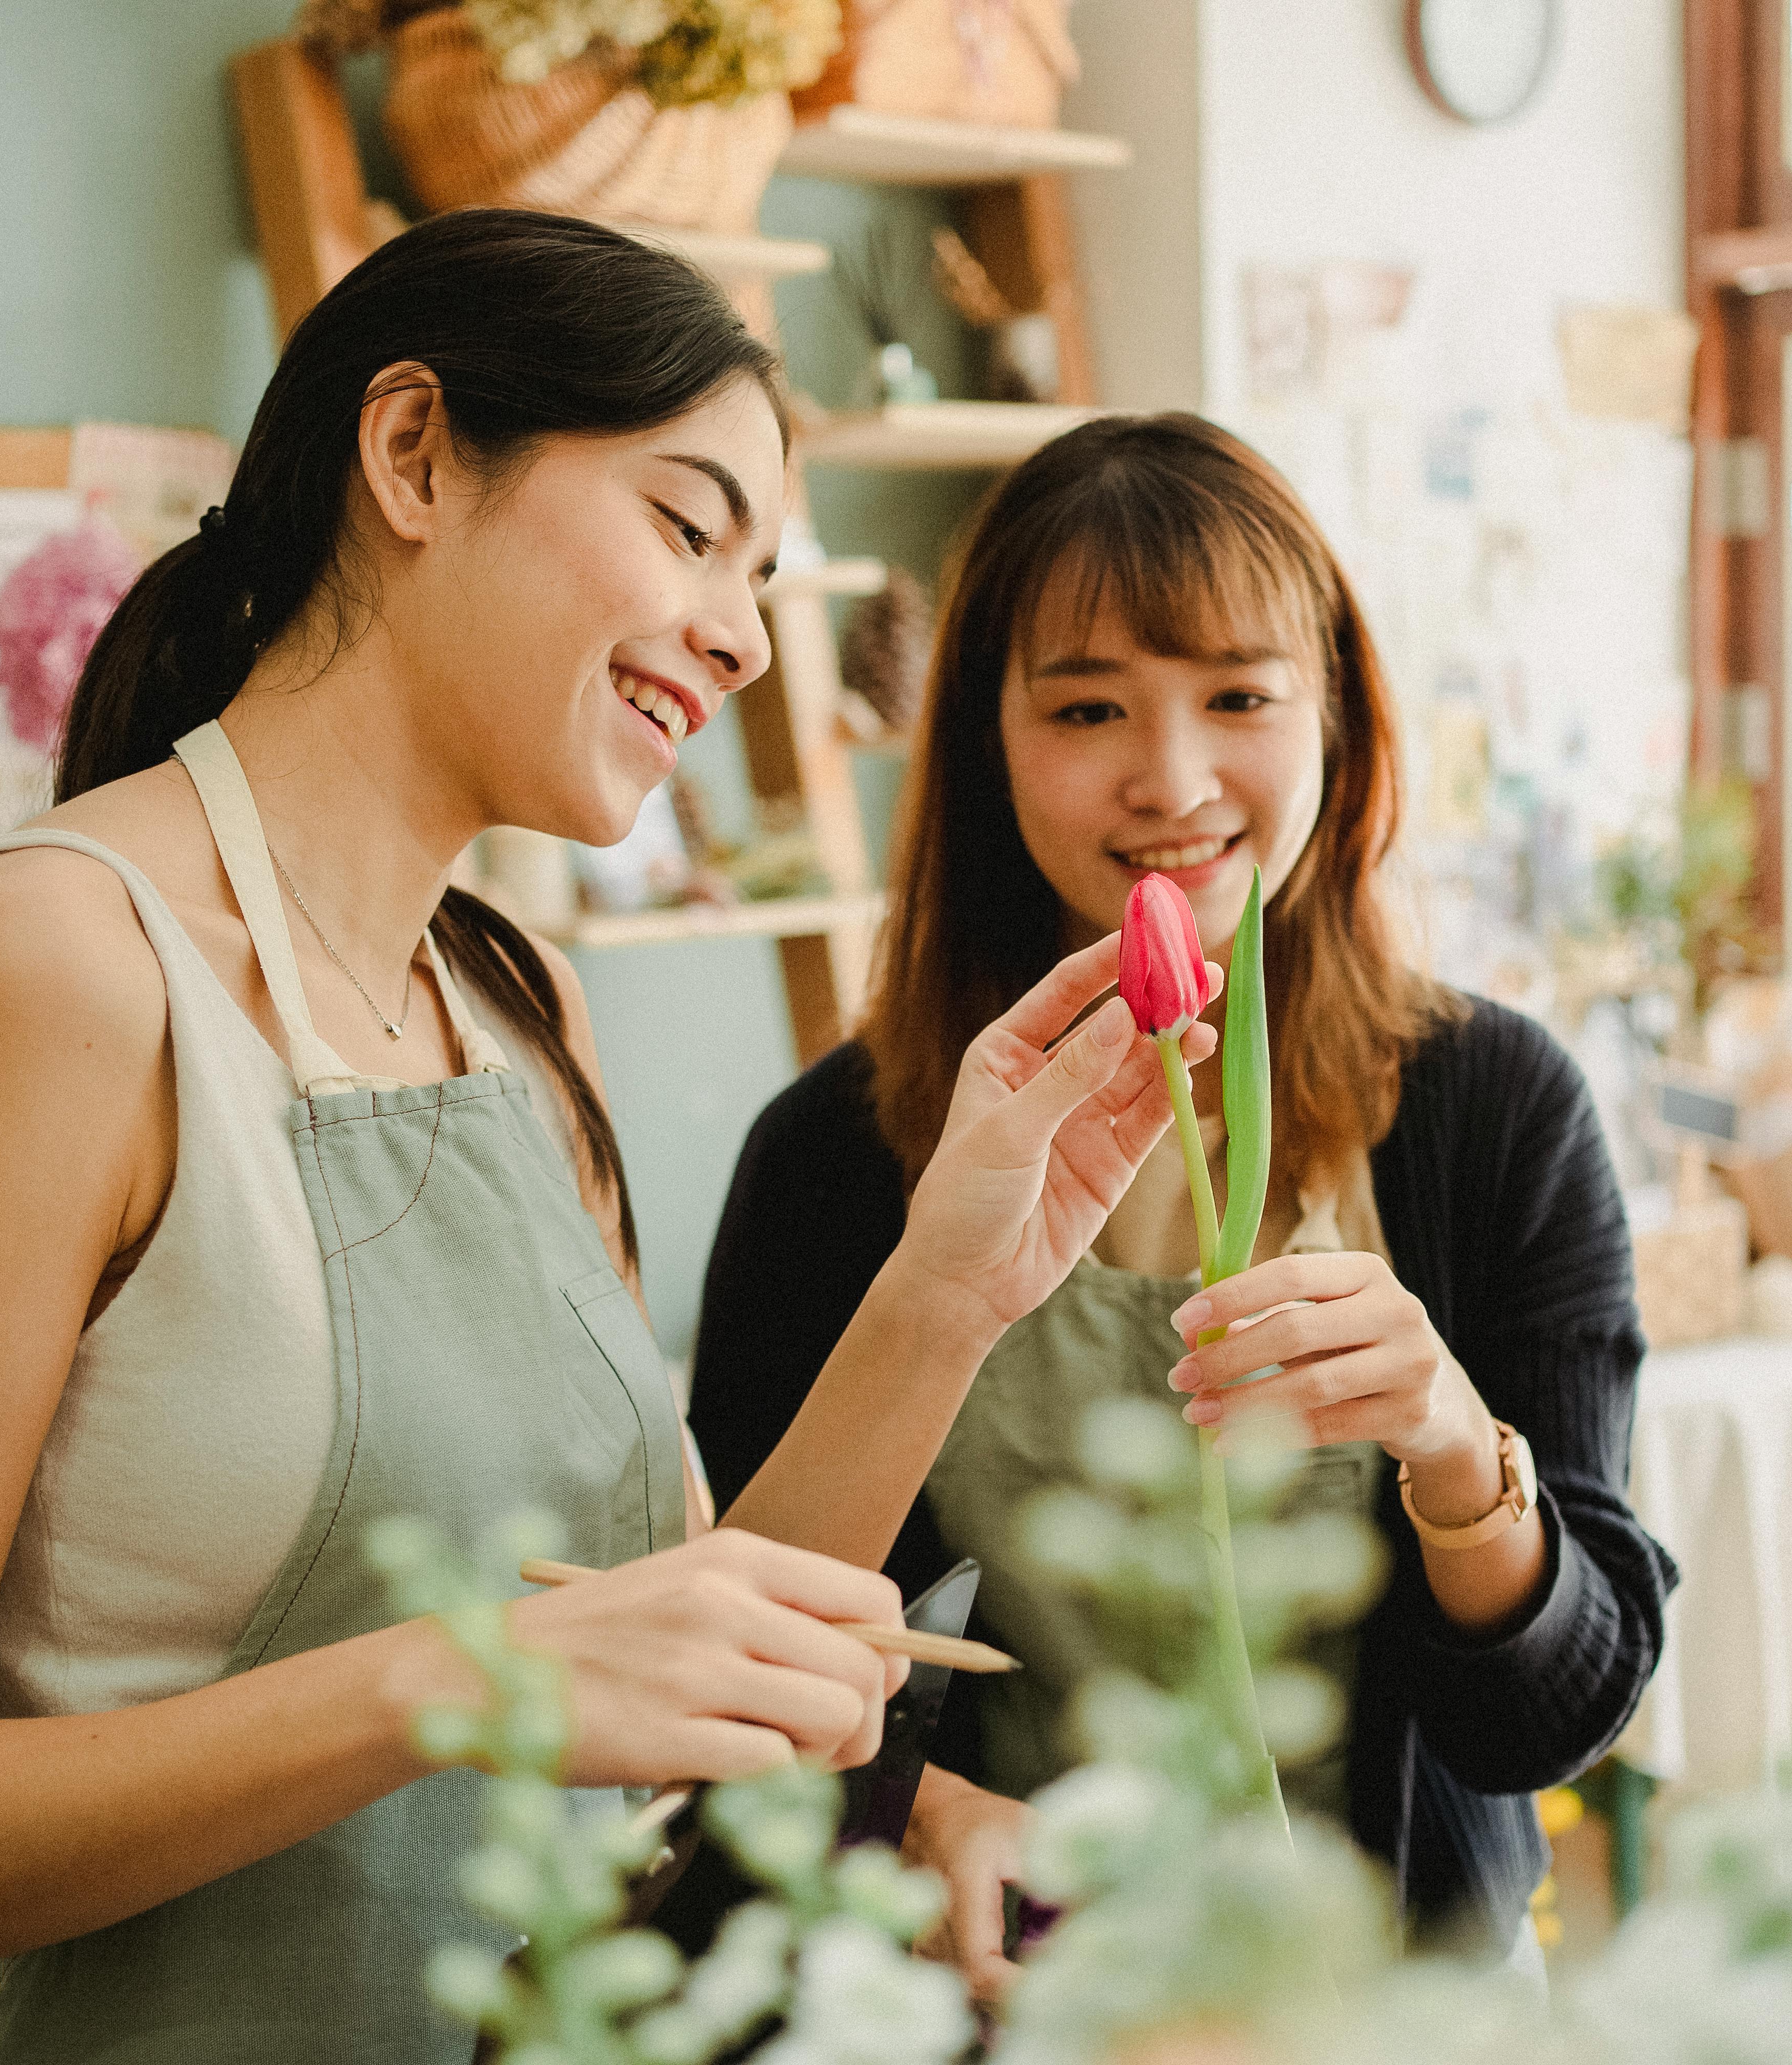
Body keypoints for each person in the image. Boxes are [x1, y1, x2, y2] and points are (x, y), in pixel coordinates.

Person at [0, 215, 1217, 2064]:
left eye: (762, 572)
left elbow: (681, 1672)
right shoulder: (57, 967)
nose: (742, 635)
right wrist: (449, 1679)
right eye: (687, 524)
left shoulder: (517, 1016)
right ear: (414, 454)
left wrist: (947, 1293)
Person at [691, 413, 1675, 1998]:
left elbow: (1553, 1717)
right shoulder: (836, 1154)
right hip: (1015, 1995)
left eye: (1239, 697)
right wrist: (931, 1808)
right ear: (984, 742)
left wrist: (1446, 1442)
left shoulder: (1492, 1113)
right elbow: (741, 1661)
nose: (1174, 779)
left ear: (1334, 715)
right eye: (1088, 708)